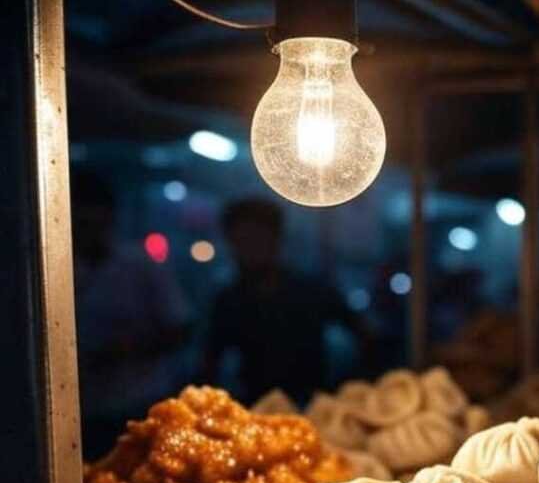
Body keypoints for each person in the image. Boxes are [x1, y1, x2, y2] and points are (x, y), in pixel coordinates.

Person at [72, 169, 192, 458]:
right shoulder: (51, 271)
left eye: (94, 219)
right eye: (80, 220)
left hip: (140, 402)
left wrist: (128, 349)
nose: (87, 229)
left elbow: (180, 327)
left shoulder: (139, 265)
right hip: (80, 410)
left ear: (110, 218)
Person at [205, 198, 371, 405]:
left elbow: (364, 336)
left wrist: (347, 392)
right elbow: (209, 365)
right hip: (256, 409)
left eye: (257, 239)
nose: (251, 250)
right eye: (243, 241)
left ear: (276, 239)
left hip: (313, 407)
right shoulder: (228, 302)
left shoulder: (312, 291)